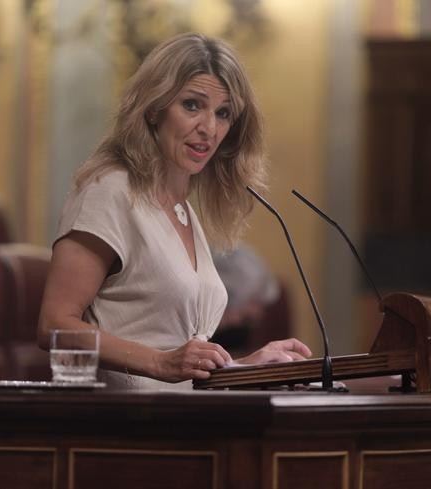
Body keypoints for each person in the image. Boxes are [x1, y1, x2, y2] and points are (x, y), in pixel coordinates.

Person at [38, 32, 311, 390]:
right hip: (127, 428)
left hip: (185, 422)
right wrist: (159, 361)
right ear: (154, 108)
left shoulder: (184, 212)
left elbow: (177, 359)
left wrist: (244, 367)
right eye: (192, 105)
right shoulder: (108, 192)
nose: (209, 129)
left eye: (223, 113)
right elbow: (54, 324)